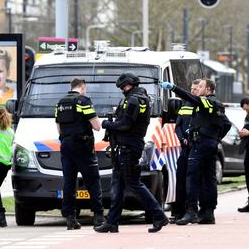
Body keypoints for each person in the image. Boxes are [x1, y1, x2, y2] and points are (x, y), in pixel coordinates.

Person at [95, 73, 168, 234]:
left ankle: (159, 215)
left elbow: (125, 125)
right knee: (118, 186)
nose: (122, 90)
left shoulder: (133, 100)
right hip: (126, 147)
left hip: (129, 146)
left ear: (131, 85)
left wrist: (107, 124)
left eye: (124, 87)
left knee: (133, 184)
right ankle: (112, 222)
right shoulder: (141, 98)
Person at [160, 78, 231, 225]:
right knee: (208, 179)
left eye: (201, 87)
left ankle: (191, 211)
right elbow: (226, 124)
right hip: (209, 145)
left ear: (208, 90)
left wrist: (173, 87)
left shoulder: (208, 102)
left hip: (200, 144)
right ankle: (207, 213)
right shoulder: (216, 104)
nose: (197, 90)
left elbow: (191, 98)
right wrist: (216, 138)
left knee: (191, 177)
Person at [55, 78, 104, 230]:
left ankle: (70, 218)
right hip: (83, 146)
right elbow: (96, 126)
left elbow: (58, 127)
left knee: (69, 182)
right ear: (82, 87)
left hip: (66, 146)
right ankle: (98, 217)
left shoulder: (60, 103)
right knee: (92, 181)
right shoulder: (83, 101)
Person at [172, 79, 200, 223]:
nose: (193, 91)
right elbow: (178, 125)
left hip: (197, 147)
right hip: (185, 147)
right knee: (181, 178)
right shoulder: (185, 105)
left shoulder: (201, 104)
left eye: (196, 89)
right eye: (192, 88)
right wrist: (182, 138)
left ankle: (195, 211)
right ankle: (178, 212)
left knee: (195, 180)